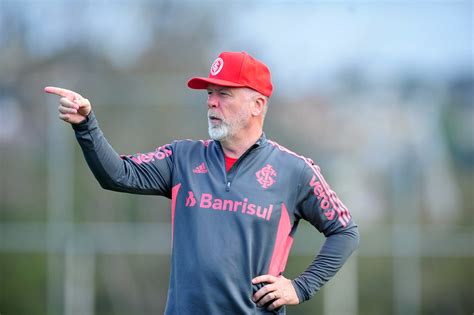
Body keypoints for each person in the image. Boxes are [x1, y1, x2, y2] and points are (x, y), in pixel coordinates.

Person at [44, 51, 359, 314]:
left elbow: (344, 231)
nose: (211, 102)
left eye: (224, 93)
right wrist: (86, 125)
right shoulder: (183, 157)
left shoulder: (295, 171)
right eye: (210, 93)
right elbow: (117, 174)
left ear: (257, 105)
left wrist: (300, 287)